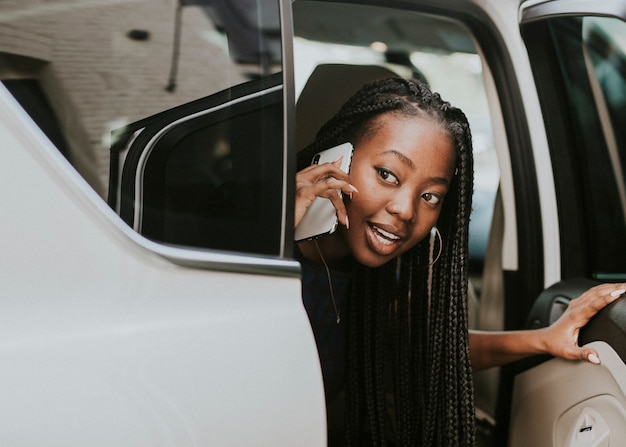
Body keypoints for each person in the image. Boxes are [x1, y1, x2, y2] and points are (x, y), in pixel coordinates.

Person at [294, 77, 626, 446]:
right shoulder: (246, 242)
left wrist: (544, 339)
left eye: (431, 196)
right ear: (335, 159)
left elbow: (435, 346)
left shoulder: (379, 283)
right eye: (387, 174)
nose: (405, 210)